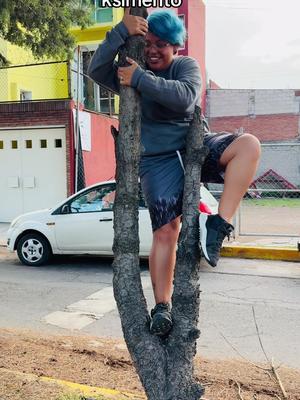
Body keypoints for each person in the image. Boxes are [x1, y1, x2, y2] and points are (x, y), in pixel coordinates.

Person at [88, 9, 261, 337]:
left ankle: (219, 224)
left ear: (176, 48)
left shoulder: (185, 66)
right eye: (149, 42)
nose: (153, 50)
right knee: (166, 231)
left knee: (249, 145)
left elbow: (184, 100)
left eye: (162, 45)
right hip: (158, 161)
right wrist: (119, 32)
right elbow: (96, 68)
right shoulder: (132, 64)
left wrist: (139, 78)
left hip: (196, 146)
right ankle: (162, 307)